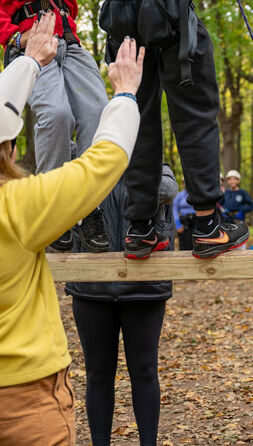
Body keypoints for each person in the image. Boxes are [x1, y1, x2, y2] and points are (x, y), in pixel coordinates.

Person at [0, 14, 143, 445]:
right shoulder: (15, 207)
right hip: (22, 399)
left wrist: (30, 63)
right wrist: (127, 94)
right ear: (6, 150)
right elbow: (105, 159)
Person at [92, 0, 248, 259]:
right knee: (194, 109)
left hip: (119, 0)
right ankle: (208, 224)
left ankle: (141, 228)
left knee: (136, 114)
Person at [0, 0, 110, 253]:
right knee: (57, 114)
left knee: (98, 114)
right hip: (29, 43)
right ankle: (52, 207)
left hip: (68, 42)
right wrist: (14, 38)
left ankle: (89, 207)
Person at [65, 167, 176, 446]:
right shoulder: (85, 161)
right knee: (98, 373)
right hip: (91, 286)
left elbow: (167, 189)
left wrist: (126, 165)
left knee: (145, 370)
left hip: (144, 288)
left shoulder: (155, 165)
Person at [172, 186, 195, 250]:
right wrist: (178, 225)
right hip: (184, 223)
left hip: (196, 221)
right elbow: (175, 210)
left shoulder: (197, 194)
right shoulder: (179, 195)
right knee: (184, 247)